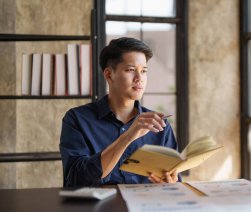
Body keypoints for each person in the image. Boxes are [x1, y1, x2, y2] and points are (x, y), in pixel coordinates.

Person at [59, 37, 180, 187]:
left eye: (144, 71)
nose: (139, 78)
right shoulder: (77, 119)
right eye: (131, 70)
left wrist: (171, 182)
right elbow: (76, 181)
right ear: (109, 75)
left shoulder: (160, 125)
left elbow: (175, 180)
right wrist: (127, 136)